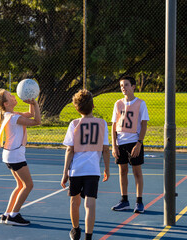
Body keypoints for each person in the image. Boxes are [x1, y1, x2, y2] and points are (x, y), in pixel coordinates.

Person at [61, 89, 110, 240]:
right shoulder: (102, 124)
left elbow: (70, 150)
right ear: (93, 105)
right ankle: (89, 236)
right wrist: (107, 168)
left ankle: (76, 230)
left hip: (76, 170)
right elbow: (106, 150)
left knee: (74, 202)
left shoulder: (74, 124)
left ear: (77, 108)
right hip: (93, 170)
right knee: (90, 204)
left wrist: (65, 173)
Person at [0, 89, 41, 226]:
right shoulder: (14, 118)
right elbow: (37, 121)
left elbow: (30, 114)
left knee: (20, 185)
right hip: (15, 155)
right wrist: (36, 103)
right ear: (7, 104)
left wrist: (31, 101)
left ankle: (7, 213)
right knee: (29, 185)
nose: (14, 96)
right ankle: (14, 215)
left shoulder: (10, 114)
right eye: (10, 96)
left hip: (10, 155)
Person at [111, 76, 149, 213]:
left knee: (137, 172)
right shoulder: (118, 104)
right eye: (121, 85)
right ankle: (124, 200)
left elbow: (144, 125)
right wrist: (114, 145)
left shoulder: (140, 103)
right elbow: (114, 126)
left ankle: (139, 202)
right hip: (120, 142)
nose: (123, 88)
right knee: (122, 172)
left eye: (126, 85)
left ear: (133, 86)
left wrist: (139, 143)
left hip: (134, 142)